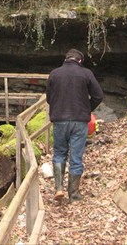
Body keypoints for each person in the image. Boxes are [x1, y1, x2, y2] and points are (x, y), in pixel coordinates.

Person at [46, 49, 103, 202]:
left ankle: (58, 188)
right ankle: (74, 195)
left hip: (59, 120)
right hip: (79, 121)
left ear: (66, 59)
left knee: (59, 154)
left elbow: (49, 98)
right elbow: (98, 95)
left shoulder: (54, 74)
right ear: (80, 61)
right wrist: (87, 108)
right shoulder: (86, 74)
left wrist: (58, 107)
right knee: (76, 157)